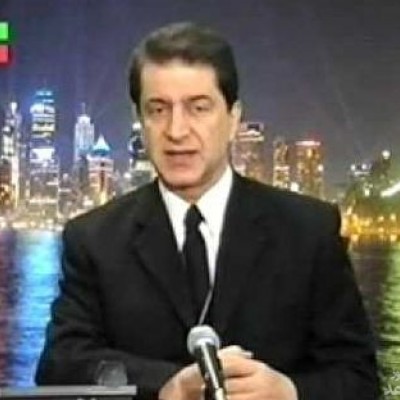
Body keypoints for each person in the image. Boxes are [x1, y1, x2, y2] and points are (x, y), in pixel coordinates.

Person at [36, 21, 380, 400]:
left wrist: (290, 391)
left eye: (198, 108)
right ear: (141, 121)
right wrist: (167, 386)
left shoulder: (309, 230)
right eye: (158, 109)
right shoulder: (93, 238)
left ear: (233, 119)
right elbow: (61, 365)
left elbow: (359, 378)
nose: (176, 130)